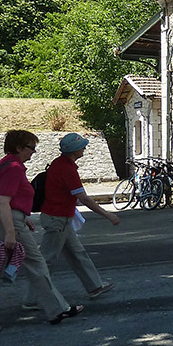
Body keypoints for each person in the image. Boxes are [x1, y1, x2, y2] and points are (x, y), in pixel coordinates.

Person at [0, 130, 83, 329]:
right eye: (31, 148)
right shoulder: (14, 167)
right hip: (9, 221)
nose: (33, 152)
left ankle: (57, 309)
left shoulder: (3, 164)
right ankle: (57, 309)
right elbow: (2, 201)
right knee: (37, 263)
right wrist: (11, 231)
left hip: (10, 219)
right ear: (18, 148)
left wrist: (23, 219)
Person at [23, 133, 117, 311]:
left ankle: (95, 286)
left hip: (60, 219)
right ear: (74, 150)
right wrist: (109, 215)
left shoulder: (60, 164)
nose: (85, 148)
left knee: (77, 253)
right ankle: (31, 299)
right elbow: (84, 198)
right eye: (82, 146)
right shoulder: (67, 169)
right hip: (58, 219)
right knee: (47, 260)